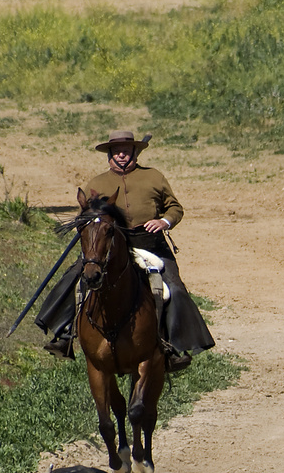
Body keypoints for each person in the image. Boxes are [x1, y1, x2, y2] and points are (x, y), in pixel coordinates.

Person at [36, 131, 215, 372]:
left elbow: (175, 207)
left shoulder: (154, 177)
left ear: (135, 152)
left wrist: (164, 222)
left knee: (175, 289)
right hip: (107, 246)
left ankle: (173, 347)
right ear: (109, 154)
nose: (122, 154)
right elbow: (88, 215)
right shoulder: (97, 184)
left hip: (150, 244)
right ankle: (65, 335)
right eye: (117, 150)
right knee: (74, 280)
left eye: (126, 149)